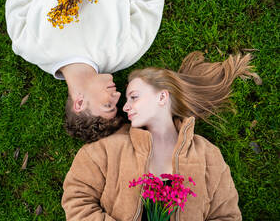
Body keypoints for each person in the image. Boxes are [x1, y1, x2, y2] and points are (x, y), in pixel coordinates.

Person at [62, 51, 258, 220]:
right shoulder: (104, 150)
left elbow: (227, 215)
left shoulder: (208, 155)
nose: (125, 106)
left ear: (162, 97)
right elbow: (77, 200)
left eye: (134, 97)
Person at [5, 0, 165, 141]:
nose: (118, 95)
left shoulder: (30, 47)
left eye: (108, 105)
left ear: (79, 103)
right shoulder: (123, 52)